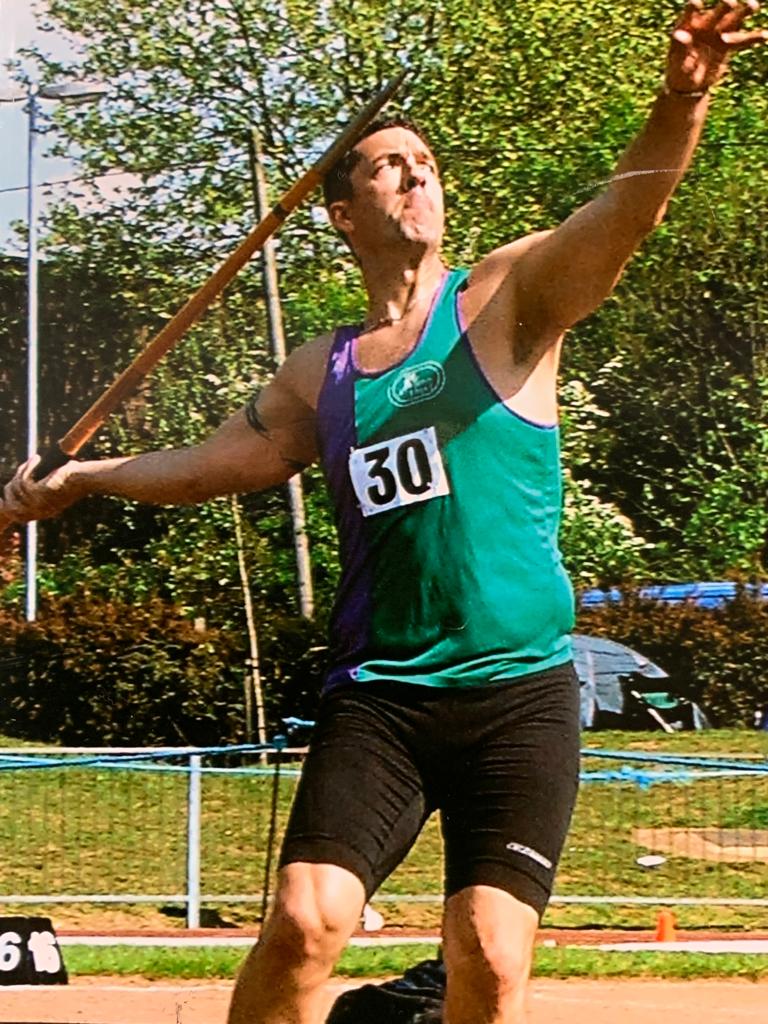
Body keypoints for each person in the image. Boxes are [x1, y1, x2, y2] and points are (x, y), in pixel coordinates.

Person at [1, 3, 766, 1022]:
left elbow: (624, 213)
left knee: (489, 959)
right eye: (387, 165)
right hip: (385, 697)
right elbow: (219, 461)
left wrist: (685, 95)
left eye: (426, 161)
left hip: (518, 693)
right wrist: (87, 477)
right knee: (305, 922)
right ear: (342, 214)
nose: (417, 173)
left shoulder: (505, 302)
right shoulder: (325, 373)